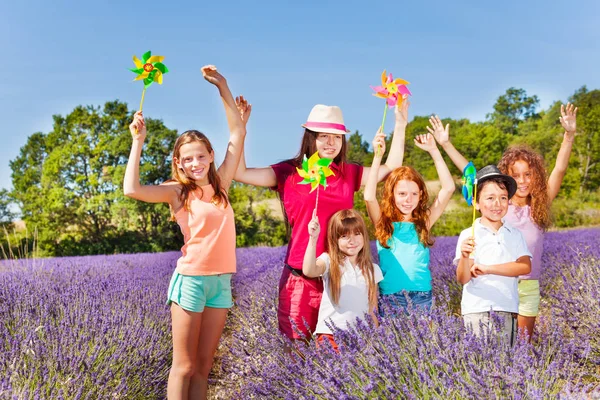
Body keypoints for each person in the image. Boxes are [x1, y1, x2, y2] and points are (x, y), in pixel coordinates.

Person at [233, 96, 409, 341]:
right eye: (323, 135)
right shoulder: (289, 172)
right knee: (295, 350)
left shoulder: (347, 173)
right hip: (302, 278)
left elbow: (390, 168)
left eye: (337, 137)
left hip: (341, 276)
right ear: (310, 137)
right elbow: (239, 173)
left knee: (339, 350)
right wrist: (240, 130)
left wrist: (400, 124)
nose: (331, 142)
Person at [124, 65, 245, 400]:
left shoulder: (222, 187)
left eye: (201, 156)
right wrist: (138, 142)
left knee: (205, 366)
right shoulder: (177, 192)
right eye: (188, 158)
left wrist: (222, 85)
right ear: (178, 162)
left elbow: (237, 134)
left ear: (210, 157)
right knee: (184, 366)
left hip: (221, 282)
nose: (195, 163)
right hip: (191, 281)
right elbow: (131, 189)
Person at [429, 103, 577, 337]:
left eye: (528, 174)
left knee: (523, 346)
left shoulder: (539, 203)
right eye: (515, 176)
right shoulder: (500, 204)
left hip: (527, 284)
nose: (523, 181)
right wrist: (445, 143)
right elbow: (471, 174)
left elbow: (559, 169)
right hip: (496, 284)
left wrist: (569, 135)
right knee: (496, 345)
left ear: (536, 176)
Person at [364, 122, 454, 314]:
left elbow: (448, 188)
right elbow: (369, 196)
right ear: (392, 195)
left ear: (421, 194)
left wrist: (434, 151)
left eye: (414, 194)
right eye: (402, 194)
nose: (408, 199)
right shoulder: (383, 223)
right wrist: (377, 156)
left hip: (422, 296)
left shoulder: (423, 222)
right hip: (391, 297)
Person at [455, 165, 532, 345]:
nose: (497, 204)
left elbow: (525, 266)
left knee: (505, 364)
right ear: (476, 203)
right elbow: (463, 278)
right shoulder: (469, 234)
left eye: (503, 198)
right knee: (480, 364)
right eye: (490, 198)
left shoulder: (514, 234)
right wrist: (465, 257)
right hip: (477, 309)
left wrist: (488, 269)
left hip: (507, 308)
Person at [302, 209, 383, 351]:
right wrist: (313, 239)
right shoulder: (329, 261)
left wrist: (375, 337)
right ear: (335, 240)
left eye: (357, 234)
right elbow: (309, 270)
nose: (352, 241)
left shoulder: (373, 269)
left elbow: (373, 306)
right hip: (330, 335)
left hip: (360, 336)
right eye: (344, 236)